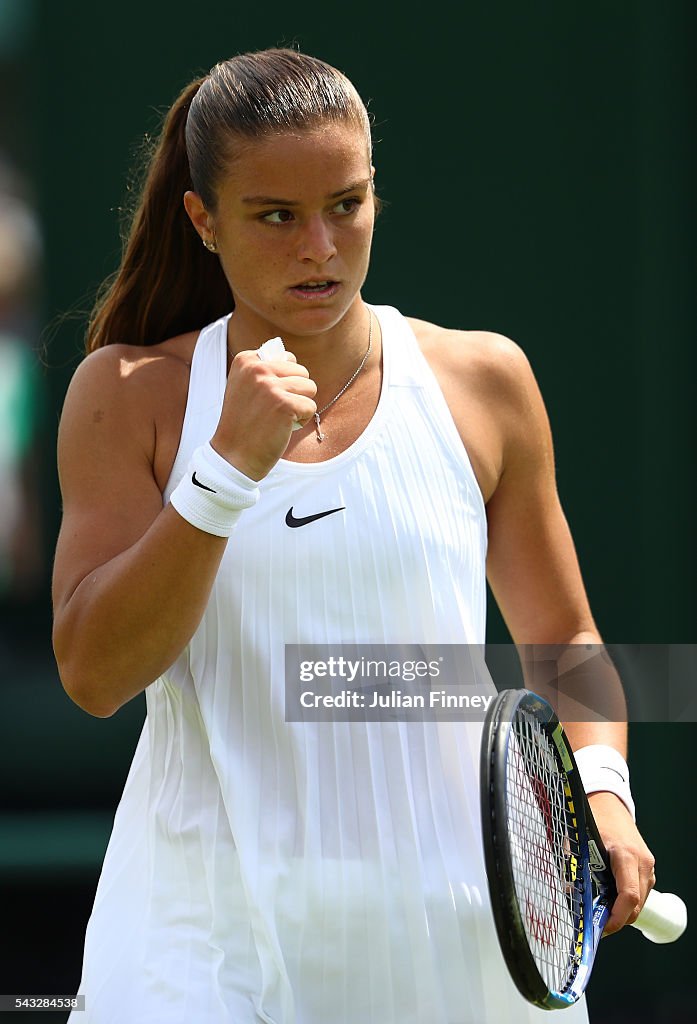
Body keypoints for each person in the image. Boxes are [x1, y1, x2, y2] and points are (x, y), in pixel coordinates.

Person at [53, 48, 655, 1024]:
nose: (320, 249)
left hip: (461, 941)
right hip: (201, 945)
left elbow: (566, 641)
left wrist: (602, 789)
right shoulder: (130, 398)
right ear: (203, 220)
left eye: (346, 204)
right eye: (276, 216)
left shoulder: (485, 382)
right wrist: (223, 473)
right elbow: (93, 672)